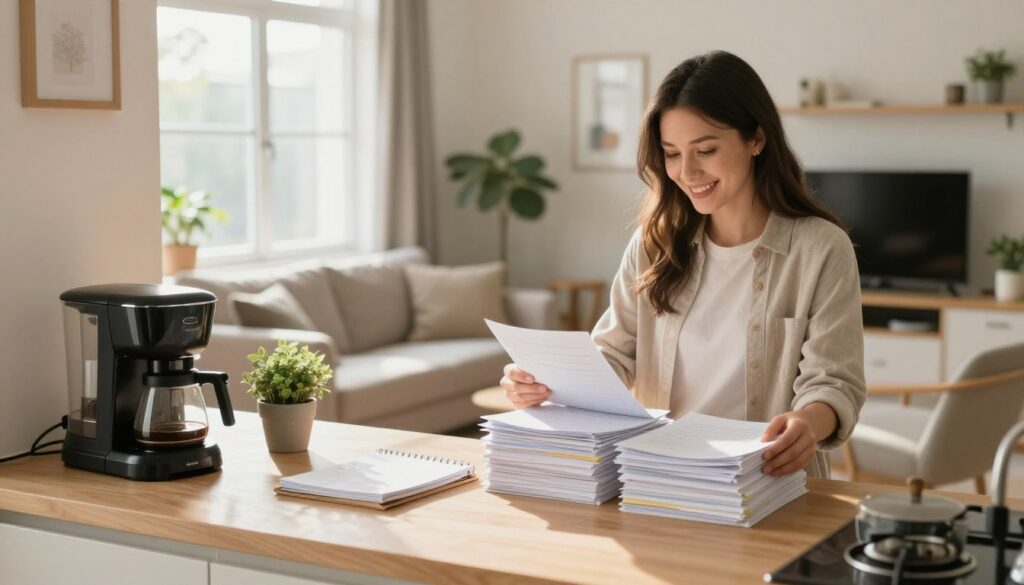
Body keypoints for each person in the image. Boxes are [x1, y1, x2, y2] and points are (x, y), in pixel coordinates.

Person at [500, 51, 866, 479]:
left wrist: (807, 423)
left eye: (706, 150)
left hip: (767, 484)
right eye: (671, 153)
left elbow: (833, 382)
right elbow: (614, 354)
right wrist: (544, 383)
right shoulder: (654, 243)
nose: (687, 171)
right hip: (663, 478)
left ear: (757, 140)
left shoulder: (822, 248)